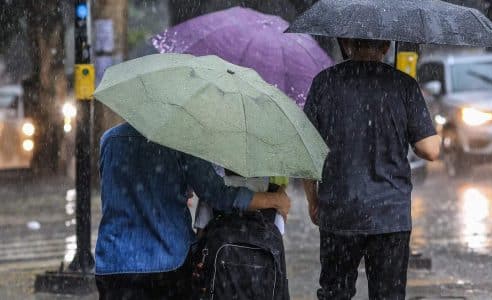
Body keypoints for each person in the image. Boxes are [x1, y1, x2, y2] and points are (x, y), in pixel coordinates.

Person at [303, 38, 441, 300]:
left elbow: (305, 148)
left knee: (334, 293)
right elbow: (430, 150)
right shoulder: (403, 85)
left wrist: (313, 199)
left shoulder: (325, 82)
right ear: (387, 47)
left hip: (339, 211)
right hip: (389, 217)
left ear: (345, 43)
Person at [94, 122, 291, 300]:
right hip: (168, 265)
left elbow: (119, 189)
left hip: (113, 264)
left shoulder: (109, 140)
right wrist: (272, 199)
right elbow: (218, 194)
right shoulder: (180, 142)